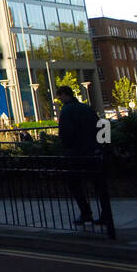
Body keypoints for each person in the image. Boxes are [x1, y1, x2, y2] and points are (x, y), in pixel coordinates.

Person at [57, 86, 105, 225]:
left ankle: (85, 213)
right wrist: (100, 147)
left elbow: (65, 133)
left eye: (60, 97)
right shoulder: (87, 108)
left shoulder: (66, 110)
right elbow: (101, 126)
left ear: (65, 95)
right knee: (98, 184)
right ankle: (105, 214)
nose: (60, 100)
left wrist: (66, 147)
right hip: (93, 151)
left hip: (76, 153)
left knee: (74, 184)